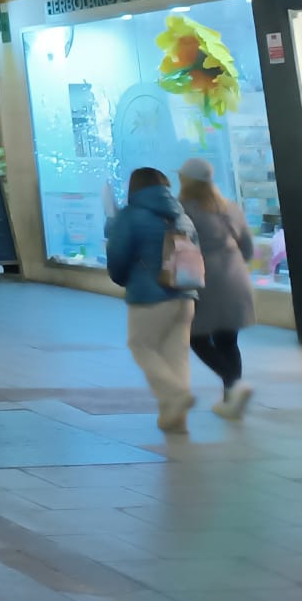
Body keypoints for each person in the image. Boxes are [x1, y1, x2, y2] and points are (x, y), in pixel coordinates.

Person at [107, 166, 200, 433]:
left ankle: (176, 394)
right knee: (177, 354)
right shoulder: (182, 215)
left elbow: (118, 257)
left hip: (149, 295)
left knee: (141, 346)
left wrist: (125, 280)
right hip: (184, 295)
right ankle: (175, 418)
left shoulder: (130, 216)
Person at [179, 156, 255, 419]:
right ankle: (231, 399)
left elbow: (179, 249)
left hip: (204, 281)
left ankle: (234, 386)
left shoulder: (183, 211)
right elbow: (248, 249)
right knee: (227, 340)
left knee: (195, 337)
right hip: (235, 279)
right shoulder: (230, 208)